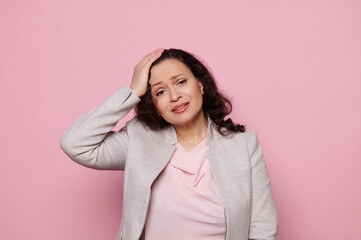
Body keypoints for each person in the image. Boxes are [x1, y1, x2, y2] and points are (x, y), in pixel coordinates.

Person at [60, 48, 278, 240]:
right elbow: (75, 144)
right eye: (160, 91)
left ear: (200, 84)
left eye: (181, 82)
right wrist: (132, 92)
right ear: (154, 105)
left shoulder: (243, 144)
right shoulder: (139, 139)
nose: (174, 96)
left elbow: (263, 228)